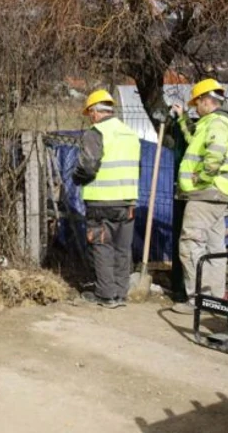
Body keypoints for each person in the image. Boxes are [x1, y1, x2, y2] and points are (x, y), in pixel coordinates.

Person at [170, 78, 228, 314]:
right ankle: (214, 299)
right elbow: (194, 141)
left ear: (206, 101)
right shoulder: (214, 122)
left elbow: (214, 155)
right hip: (218, 194)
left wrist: (199, 179)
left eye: (196, 103)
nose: (195, 108)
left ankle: (196, 299)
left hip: (205, 193)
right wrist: (182, 119)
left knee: (190, 244)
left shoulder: (218, 124)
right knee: (214, 247)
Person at [72, 89, 141, 309]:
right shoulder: (129, 133)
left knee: (102, 245)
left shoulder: (96, 133)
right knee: (123, 248)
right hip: (127, 200)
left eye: (89, 113)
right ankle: (120, 293)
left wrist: (77, 177)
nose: (89, 117)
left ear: (94, 112)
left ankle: (105, 294)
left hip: (101, 201)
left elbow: (89, 165)